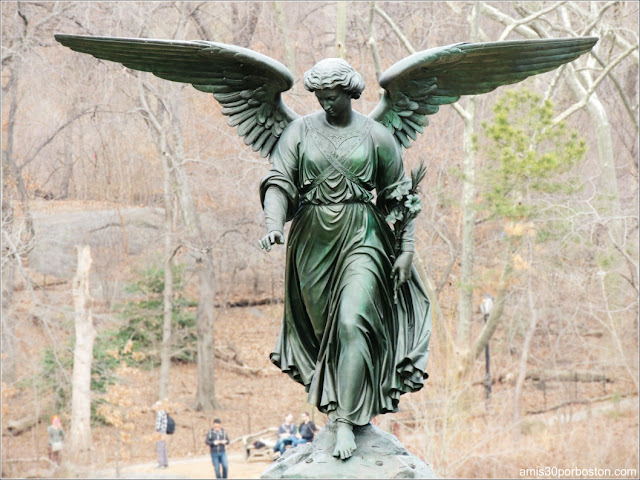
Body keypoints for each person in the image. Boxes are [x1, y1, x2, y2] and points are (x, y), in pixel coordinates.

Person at [259, 58, 431, 460]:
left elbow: (399, 196)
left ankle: (345, 422)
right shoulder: (298, 132)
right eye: (319, 96)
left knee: (353, 323)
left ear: (350, 93)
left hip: (363, 234)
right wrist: (272, 223)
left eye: (332, 96)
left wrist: (405, 249)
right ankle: (338, 409)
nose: (325, 103)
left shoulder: (376, 136)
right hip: (312, 241)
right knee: (326, 338)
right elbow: (279, 181)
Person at [154, 403, 169, 469]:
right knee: (163, 447)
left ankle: (161, 463)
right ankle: (165, 463)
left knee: (160, 448)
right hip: (164, 432)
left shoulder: (160, 413)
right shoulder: (164, 413)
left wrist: (156, 431)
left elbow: (158, 425)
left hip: (160, 432)